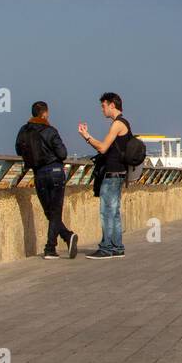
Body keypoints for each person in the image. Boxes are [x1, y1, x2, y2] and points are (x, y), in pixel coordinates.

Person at [16, 100, 77, 260]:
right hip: (55, 171)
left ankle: (66, 237)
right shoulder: (50, 130)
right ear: (45, 113)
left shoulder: (24, 130)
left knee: (49, 212)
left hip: (38, 174)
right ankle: (51, 247)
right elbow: (62, 153)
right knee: (55, 211)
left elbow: (18, 149)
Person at [78, 92, 131, 259]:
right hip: (120, 172)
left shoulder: (117, 124)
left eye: (103, 106)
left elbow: (102, 148)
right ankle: (117, 247)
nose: (102, 109)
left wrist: (87, 136)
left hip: (112, 173)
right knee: (114, 211)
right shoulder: (125, 123)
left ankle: (107, 247)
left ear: (112, 105)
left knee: (106, 211)